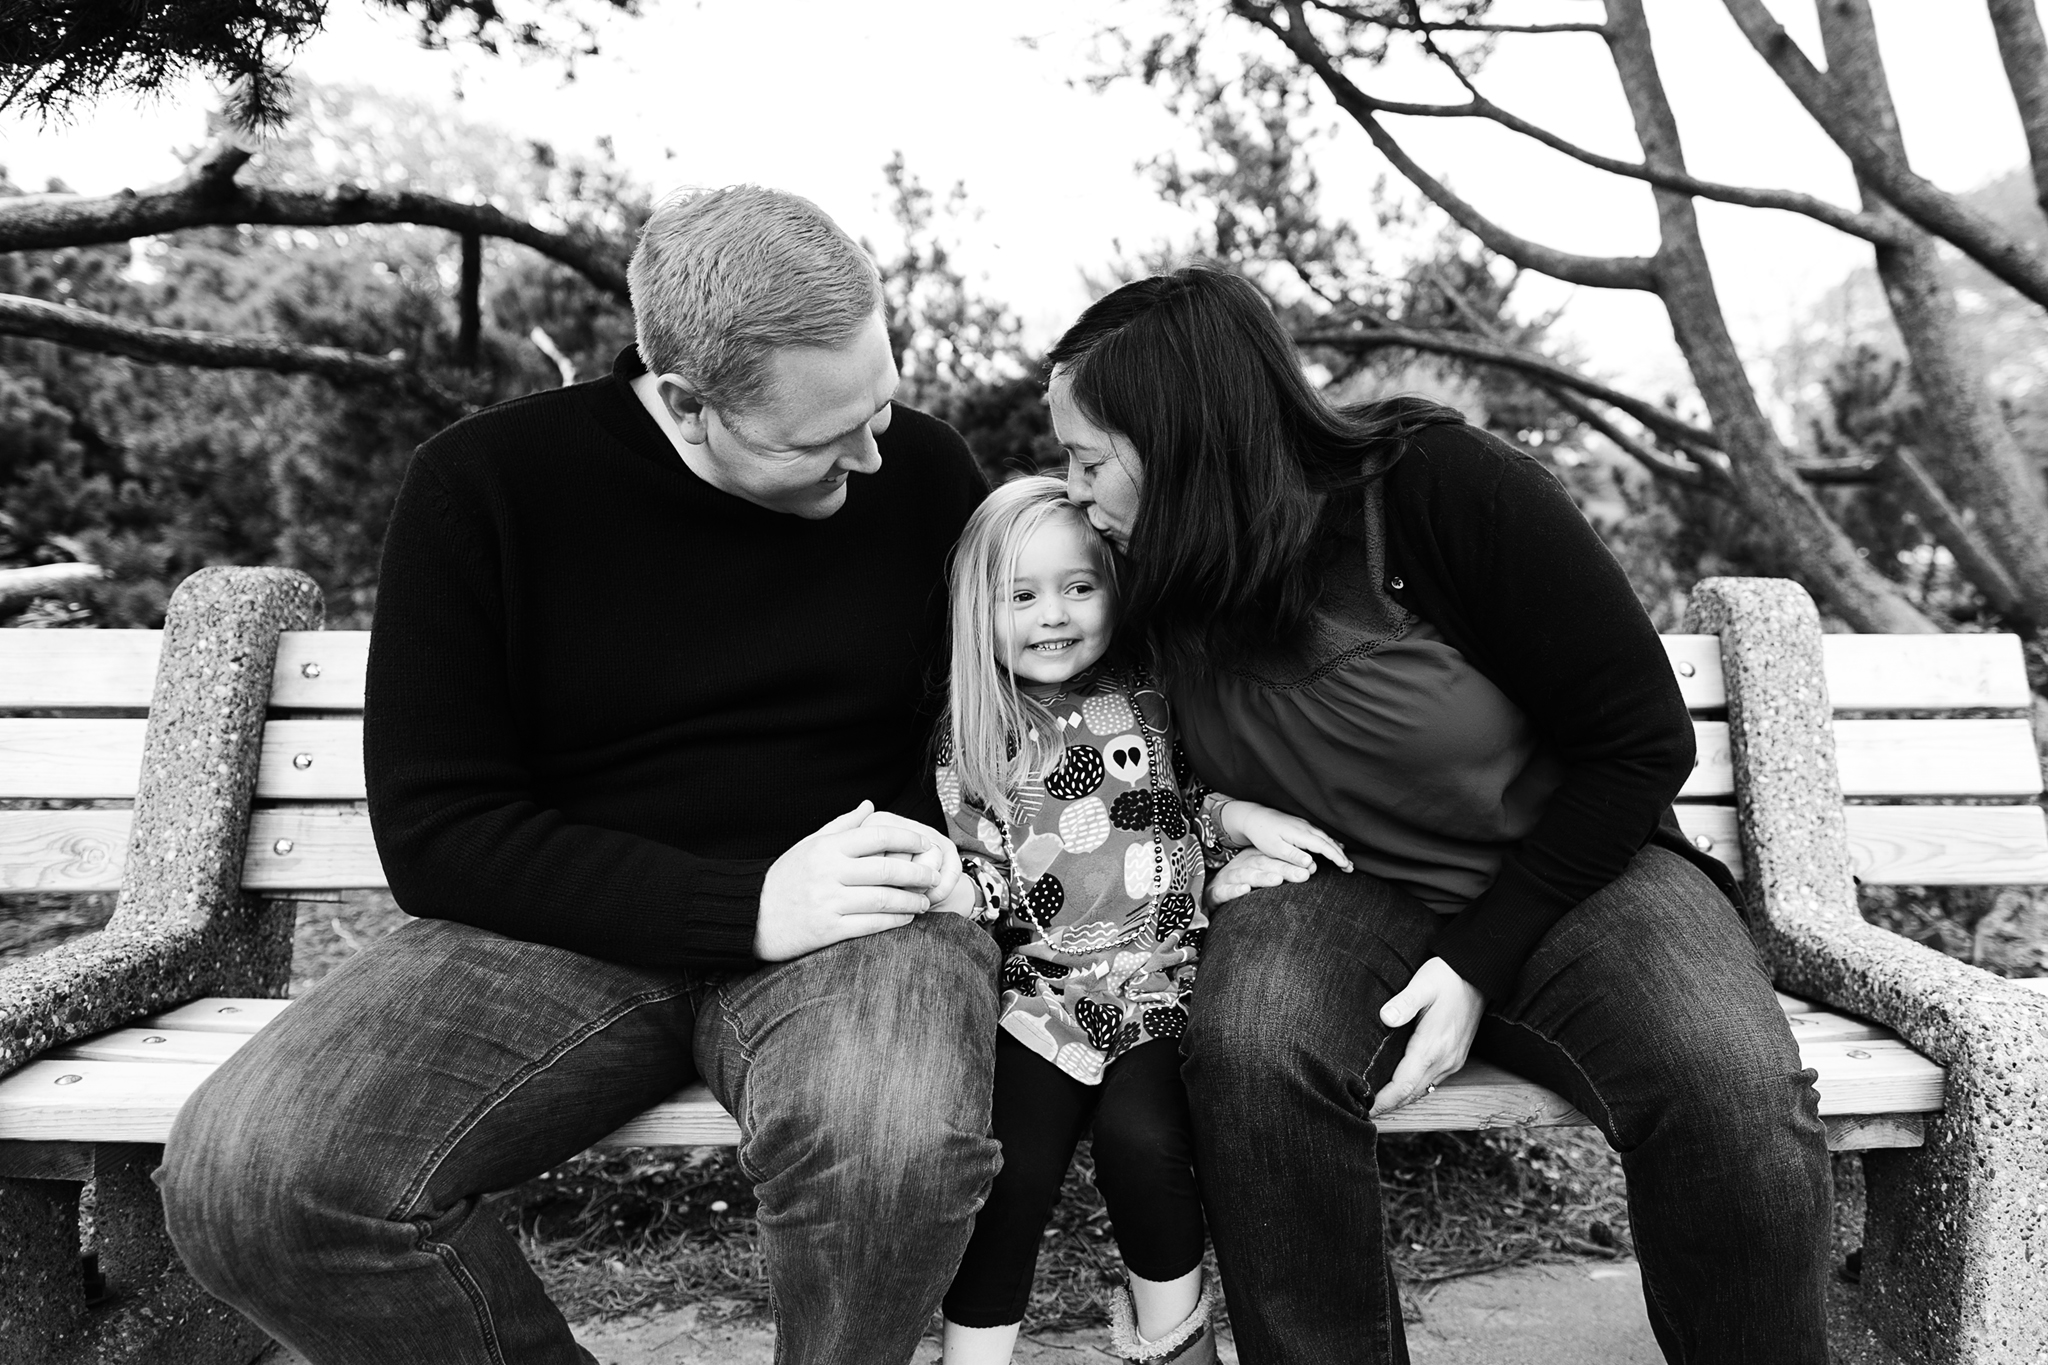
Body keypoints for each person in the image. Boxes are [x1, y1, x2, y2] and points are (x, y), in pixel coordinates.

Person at [155, 186, 999, 1365]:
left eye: (881, 406)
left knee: (894, 1143)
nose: (873, 454)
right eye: (821, 440)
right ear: (691, 405)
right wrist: (744, 907)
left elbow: (1024, 706)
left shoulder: (920, 470)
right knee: (254, 1179)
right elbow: (438, 830)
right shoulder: (484, 486)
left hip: (862, 914)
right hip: (554, 933)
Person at [1046, 265, 1833, 1365]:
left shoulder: (1439, 489)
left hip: (1569, 872)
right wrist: (1214, 821)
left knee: (1727, 1086)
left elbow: (1640, 742)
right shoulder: (1139, 565)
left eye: (1089, 460)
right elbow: (1077, 761)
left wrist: (1474, 964)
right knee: (1251, 1052)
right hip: (1334, 892)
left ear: (1183, 440)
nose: (1073, 491)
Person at [932, 477, 1347, 1365]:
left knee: (1145, 1142)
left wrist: (1238, 825)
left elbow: (1186, 803)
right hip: (1041, 1003)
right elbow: (987, 876)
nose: (1054, 614)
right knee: (1004, 1172)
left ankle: (1175, 1344)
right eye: (1023, 594)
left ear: (1115, 588)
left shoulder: (1153, 696)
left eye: (1079, 586)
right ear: (980, 608)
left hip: (1165, 988)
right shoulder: (976, 736)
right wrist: (956, 890)